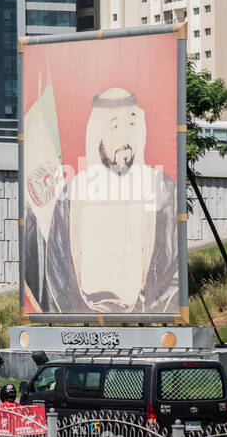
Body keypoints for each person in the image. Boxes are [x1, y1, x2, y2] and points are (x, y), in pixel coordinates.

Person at [40, 87, 178, 315]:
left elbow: (172, 270)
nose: (125, 139)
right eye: (115, 127)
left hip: (144, 312)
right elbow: (57, 271)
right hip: (82, 316)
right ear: (98, 133)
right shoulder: (74, 193)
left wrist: (148, 311)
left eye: (131, 125)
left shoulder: (161, 187)